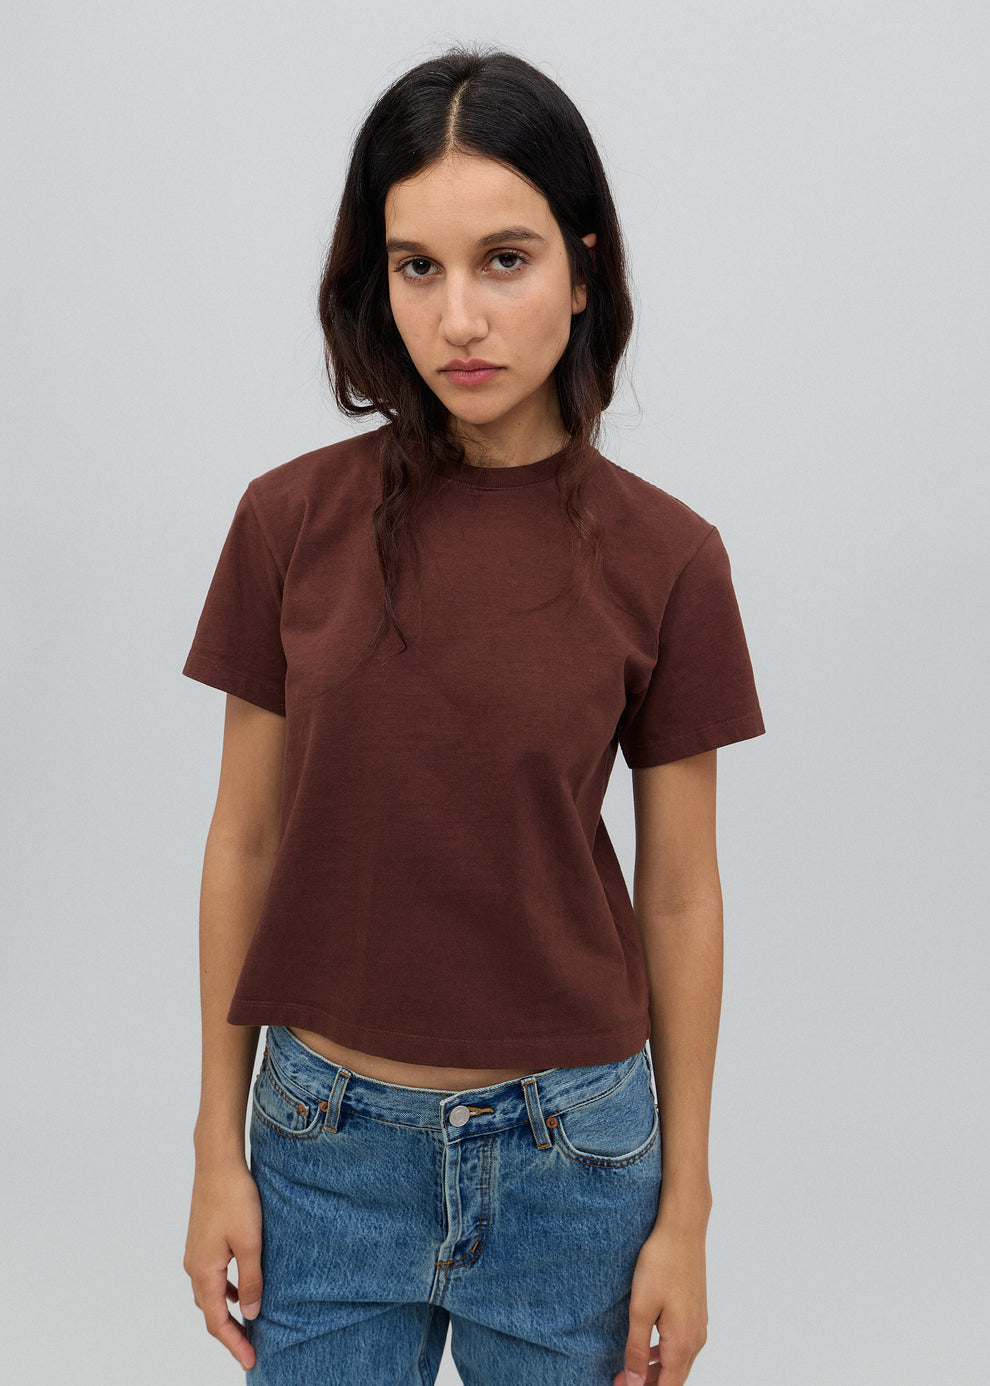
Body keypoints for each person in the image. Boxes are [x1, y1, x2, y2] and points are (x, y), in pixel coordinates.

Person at [181, 45, 765, 1386]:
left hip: (575, 1158)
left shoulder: (667, 558)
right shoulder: (287, 523)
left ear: (581, 266)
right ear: (374, 281)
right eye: (416, 267)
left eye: (503, 260)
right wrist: (216, 1145)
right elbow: (242, 844)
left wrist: (685, 1211)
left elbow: (678, 896)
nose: (457, 320)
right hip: (320, 1153)